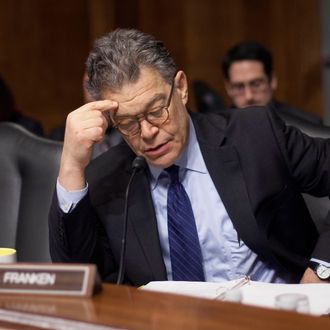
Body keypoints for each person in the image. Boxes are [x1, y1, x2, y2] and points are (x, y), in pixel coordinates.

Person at [49, 28, 330, 287]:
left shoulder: (254, 136)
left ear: (181, 88)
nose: (147, 133)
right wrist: (71, 165)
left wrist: (322, 268)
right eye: (128, 123)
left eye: (157, 110)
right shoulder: (108, 177)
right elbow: (76, 279)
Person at [221, 41, 323, 125]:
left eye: (256, 84)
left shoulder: (308, 125)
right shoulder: (214, 129)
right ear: (228, 88)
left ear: (272, 80)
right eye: (239, 87)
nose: (249, 96)